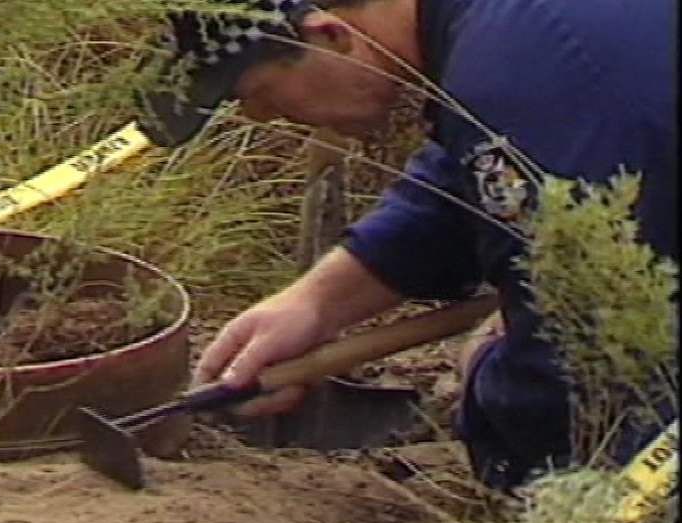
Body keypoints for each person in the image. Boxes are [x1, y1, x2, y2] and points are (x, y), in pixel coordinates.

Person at [137, 0, 677, 490]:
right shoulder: (501, 35)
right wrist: (317, 303)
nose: (258, 117)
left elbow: (587, 358)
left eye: (255, 93)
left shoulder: (528, 70)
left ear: (327, 33)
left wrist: (486, 381)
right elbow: (473, 178)